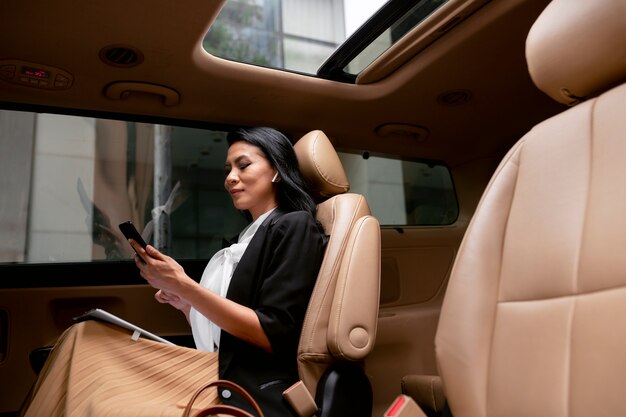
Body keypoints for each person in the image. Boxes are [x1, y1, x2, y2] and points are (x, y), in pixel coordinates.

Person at [20, 127, 327, 417]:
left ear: (275, 170)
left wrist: (184, 285)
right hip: (217, 365)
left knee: (86, 342)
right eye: (227, 170)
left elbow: (272, 333)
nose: (231, 178)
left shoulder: (295, 224)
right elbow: (224, 335)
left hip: (243, 386)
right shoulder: (247, 237)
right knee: (83, 337)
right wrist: (187, 304)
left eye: (243, 165)